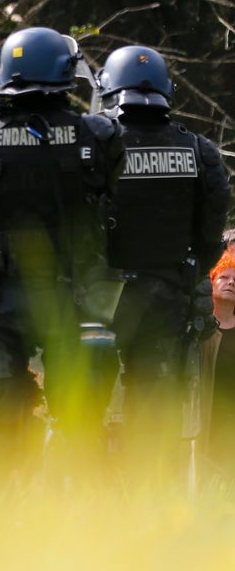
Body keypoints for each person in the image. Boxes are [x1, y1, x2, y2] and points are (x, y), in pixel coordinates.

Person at [0, 27, 126, 477]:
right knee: (80, 421)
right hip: (71, 296)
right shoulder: (98, 134)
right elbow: (108, 205)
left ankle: (3, 515)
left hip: (2, 297)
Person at [95, 45, 231, 472]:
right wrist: (182, 268)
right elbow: (212, 237)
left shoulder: (96, 147)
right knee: (157, 412)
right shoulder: (200, 151)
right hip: (168, 298)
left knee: (89, 409)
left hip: (102, 297)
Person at [201, 250, 235, 476]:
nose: (231, 282)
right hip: (204, 419)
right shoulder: (199, 328)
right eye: (224, 277)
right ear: (211, 282)